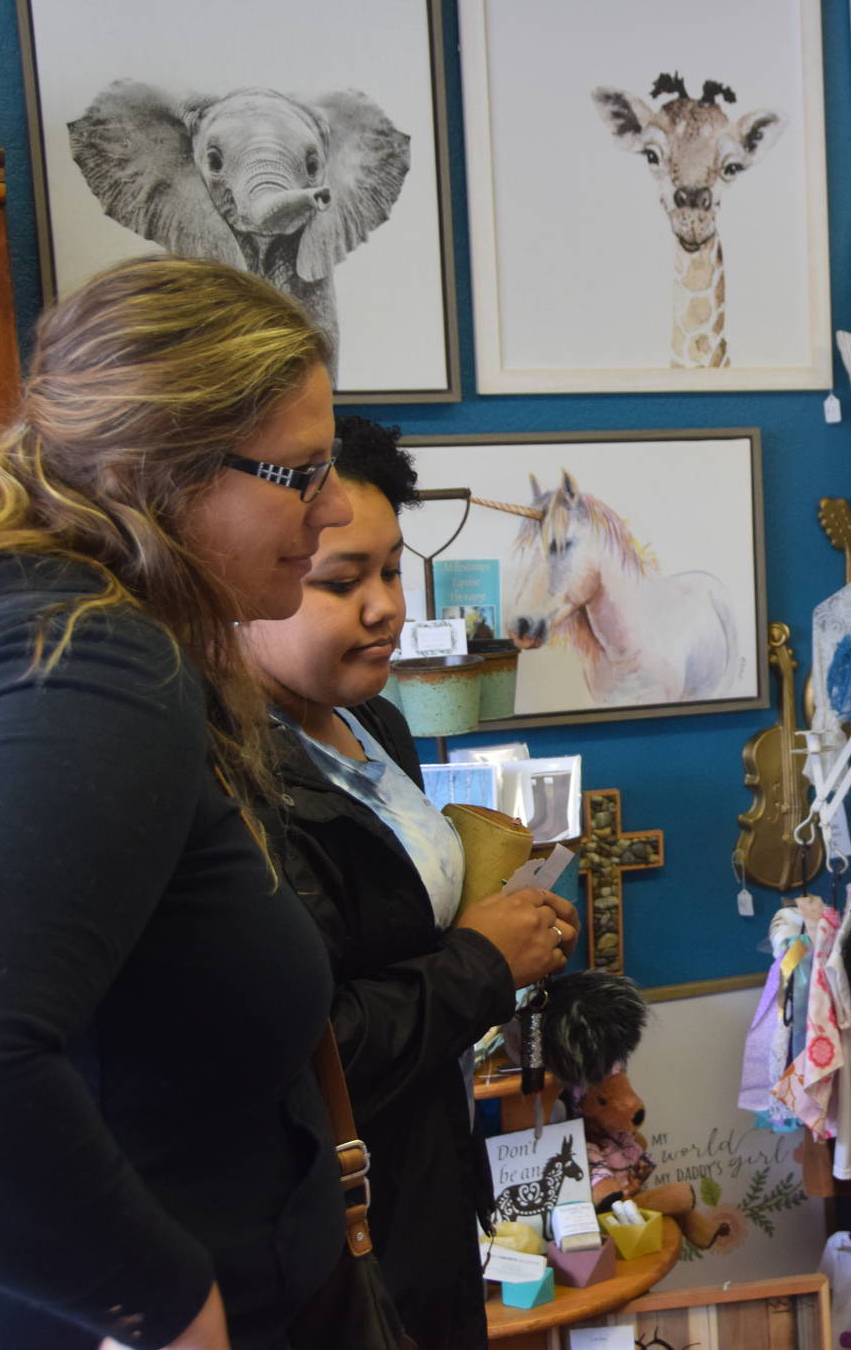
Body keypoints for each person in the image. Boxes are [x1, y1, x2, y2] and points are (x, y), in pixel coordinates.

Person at [0, 256, 354, 1349]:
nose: (329, 506)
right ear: (156, 471)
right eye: (299, 472)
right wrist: (164, 1303)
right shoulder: (89, 660)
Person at [241, 416, 580, 1347]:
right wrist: (481, 960)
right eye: (342, 581)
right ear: (247, 576)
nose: (385, 605)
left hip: (428, 1183)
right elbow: (312, 1050)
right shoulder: (235, 782)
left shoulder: (376, 726)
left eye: (391, 569)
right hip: (336, 1228)